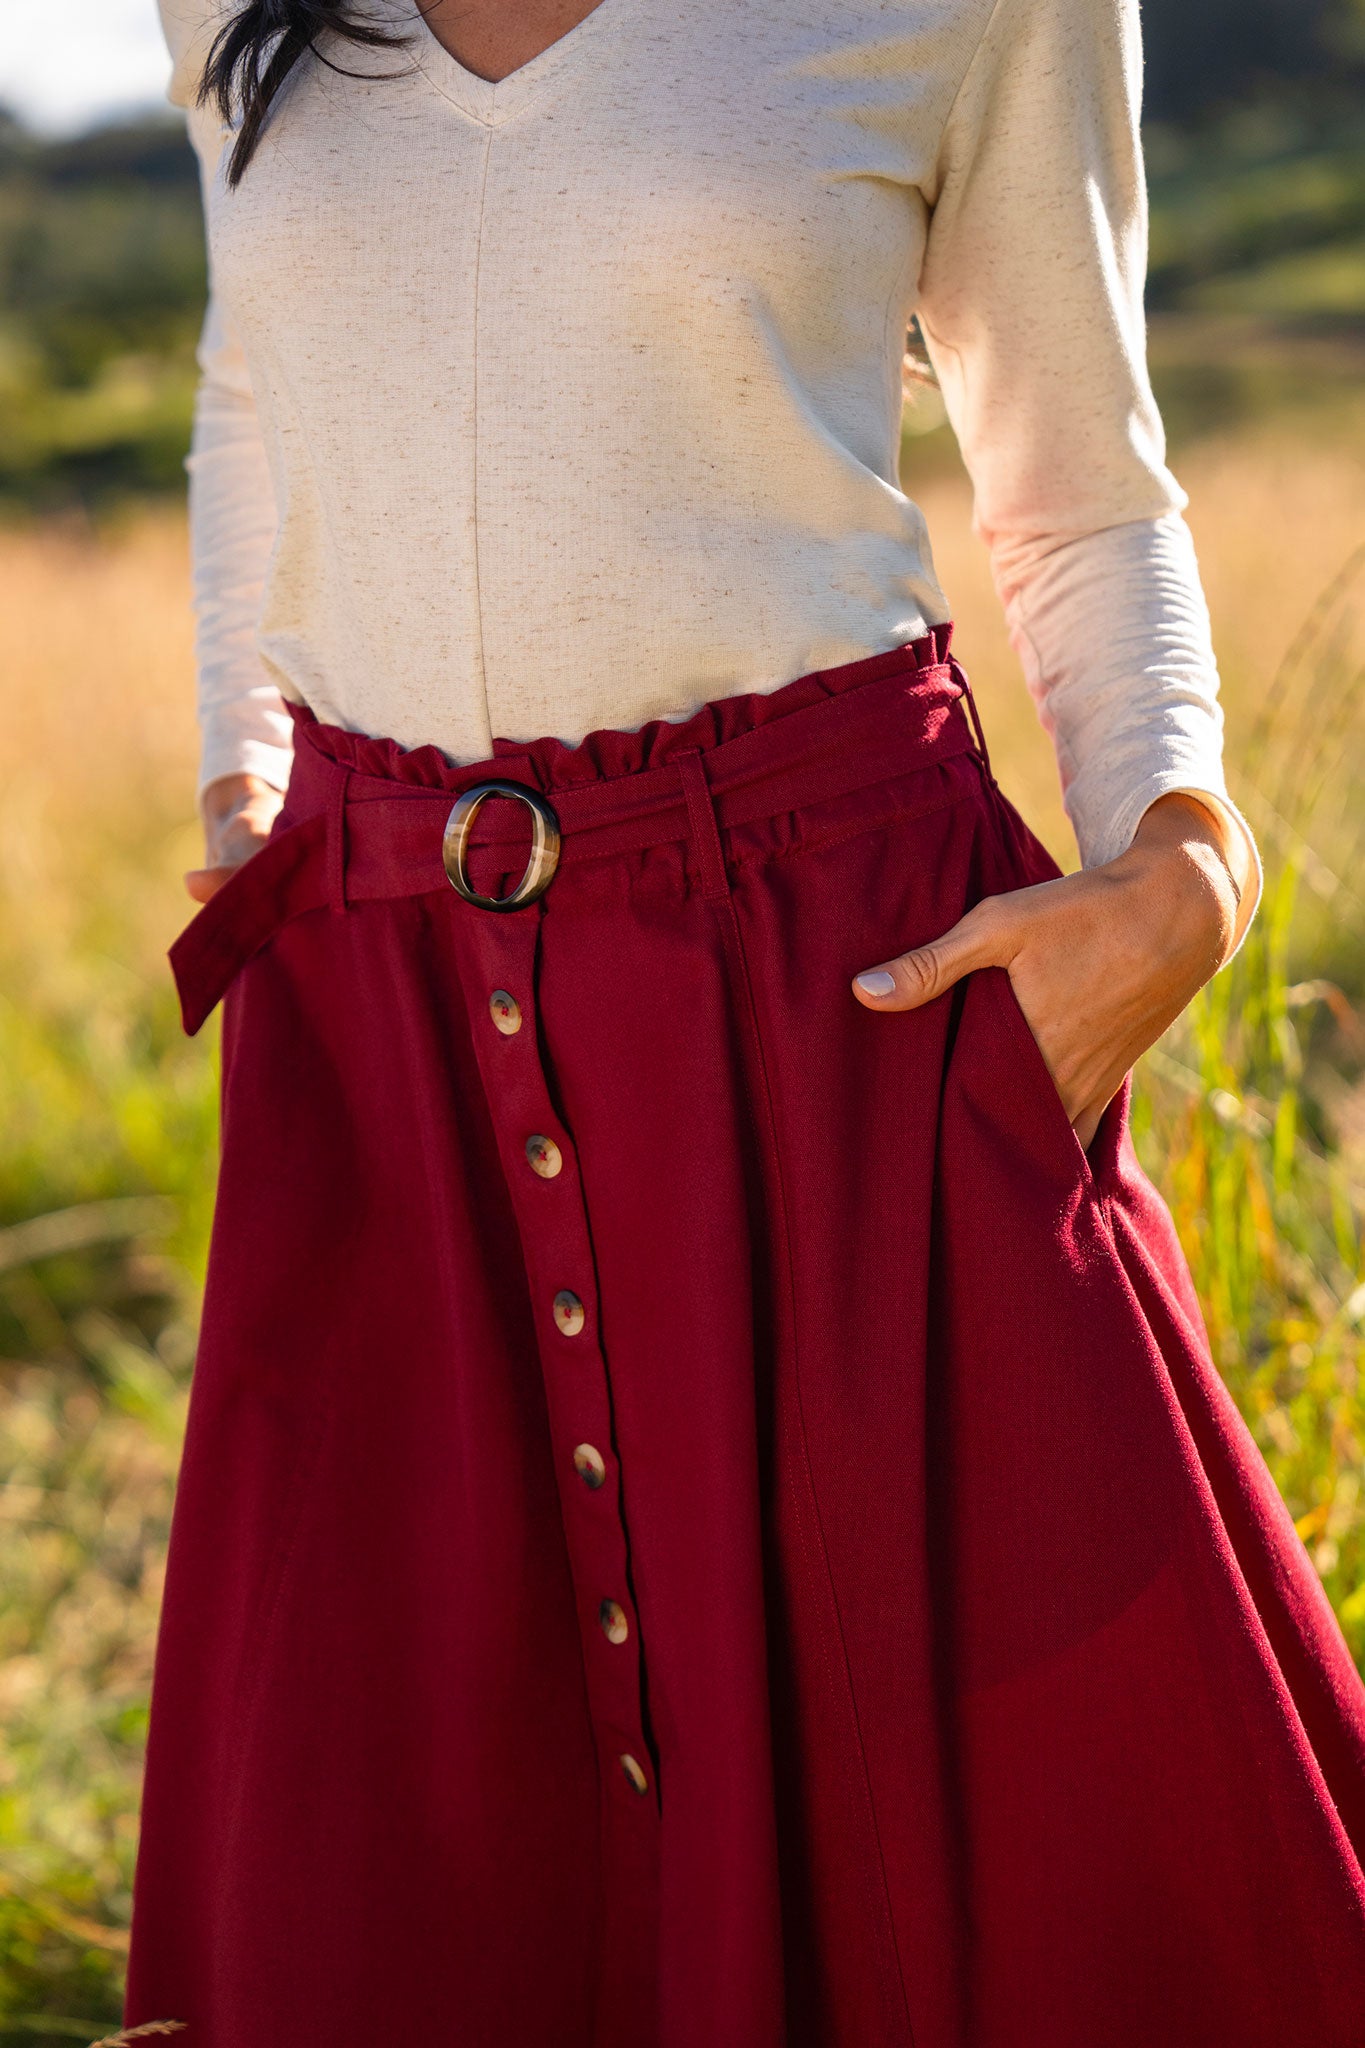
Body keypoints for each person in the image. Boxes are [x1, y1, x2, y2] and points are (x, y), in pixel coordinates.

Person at [124, 2, 1365, 2043]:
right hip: (384, 1005)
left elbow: (1076, 484)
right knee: (404, 1828)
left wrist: (1180, 871)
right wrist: (244, 789)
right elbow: (259, 388)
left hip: (836, 986)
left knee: (1029, 1802)